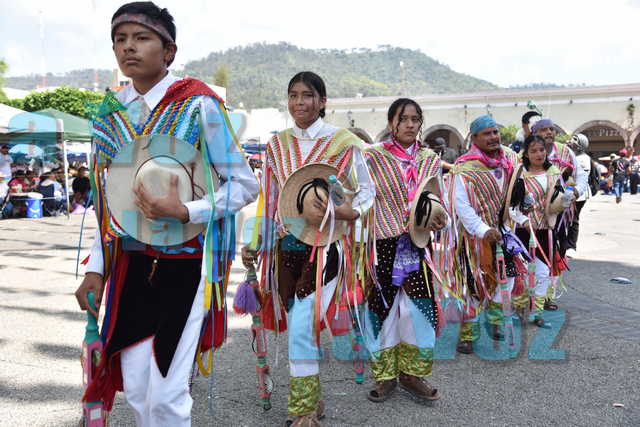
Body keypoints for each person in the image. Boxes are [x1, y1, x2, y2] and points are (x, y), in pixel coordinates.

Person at [74, 2, 259, 425]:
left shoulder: (199, 104)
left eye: (141, 38)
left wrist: (187, 210)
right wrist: (96, 269)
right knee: (138, 388)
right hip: (131, 265)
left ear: (169, 51)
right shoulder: (110, 113)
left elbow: (246, 184)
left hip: (188, 265)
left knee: (167, 393)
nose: (128, 47)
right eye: (120, 39)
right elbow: (108, 203)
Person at [240, 71, 374, 427]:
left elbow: (366, 191)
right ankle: (315, 401)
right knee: (301, 324)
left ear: (323, 101)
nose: (300, 102)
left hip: (327, 247)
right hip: (286, 246)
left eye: (308, 95)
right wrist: (255, 242)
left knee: (301, 324)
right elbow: (270, 199)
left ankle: (302, 411)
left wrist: (351, 212)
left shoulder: (344, 142)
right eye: (293, 95)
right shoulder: (277, 145)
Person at [364, 98, 446, 404]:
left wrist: (440, 220)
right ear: (391, 124)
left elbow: (438, 202)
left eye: (415, 119)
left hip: (418, 243)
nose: (410, 124)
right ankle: (385, 376)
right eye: (403, 119)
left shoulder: (430, 160)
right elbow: (361, 199)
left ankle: (412, 375)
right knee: (383, 310)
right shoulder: (373, 158)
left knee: (418, 310)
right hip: (384, 243)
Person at [444, 115, 519, 354]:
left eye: (496, 132)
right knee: (474, 285)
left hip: (502, 233)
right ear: (474, 139)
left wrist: (521, 208)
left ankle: (494, 322)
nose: (494, 137)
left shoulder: (508, 162)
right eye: (487, 133)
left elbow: (513, 195)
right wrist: (482, 229)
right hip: (474, 238)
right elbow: (461, 205)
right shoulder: (464, 168)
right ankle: (467, 335)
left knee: (505, 280)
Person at [531, 119, 588, 308]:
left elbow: (581, 175)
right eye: (544, 129)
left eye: (552, 129)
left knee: (555, 253)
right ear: (534, 133)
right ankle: (527, 297)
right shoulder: (525, 153)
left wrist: (577, 190)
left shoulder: (566, 152)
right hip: (532, 216)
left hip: (559, 215)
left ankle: (547, 296)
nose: (550, 132)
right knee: (532, 256)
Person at [509, 135, 564, 327]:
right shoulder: (518, 174)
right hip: (521, 231)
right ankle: (518, 309)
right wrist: (523, 220)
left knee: (543, 273)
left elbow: (560, 200)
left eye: (542, 150)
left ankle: (537, 313)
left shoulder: (554, 173)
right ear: (525, 153)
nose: (539, 154)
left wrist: (567, 200)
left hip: (545, 230)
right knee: (521, 272)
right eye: (533, 151)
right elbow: (509, 205)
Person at [566, 134, 591, 258]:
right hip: (569, 192)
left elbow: (575, 176)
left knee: (573, 219)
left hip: (578, 194)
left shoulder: (582, 159)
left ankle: (571, 246)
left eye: (574, 145)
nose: (570, 145)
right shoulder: (573, 156)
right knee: (567, 219)